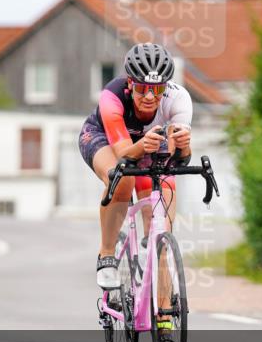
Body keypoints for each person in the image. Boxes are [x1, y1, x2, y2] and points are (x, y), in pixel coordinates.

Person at [78, 43, 192, 299]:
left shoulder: (179, 99)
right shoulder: (112, 96)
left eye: (157, 89)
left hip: (148, 144)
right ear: (130, 84)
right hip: (105, 139)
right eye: (142, 88)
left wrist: (184, 148)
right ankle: (107, 254)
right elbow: (123, 155)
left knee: (162, 214)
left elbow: (176, 157)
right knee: (122, 180)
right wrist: (141, 147)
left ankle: (164, 311)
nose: (150, 97)